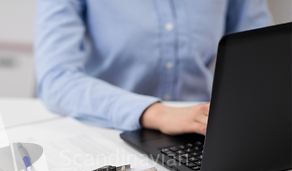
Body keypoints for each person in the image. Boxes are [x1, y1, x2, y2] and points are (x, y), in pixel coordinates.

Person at [34, 0, 272, 135]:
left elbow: (263, 58)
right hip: (107, 129)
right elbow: (56, 78)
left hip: (204, 129)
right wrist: (155, 112)